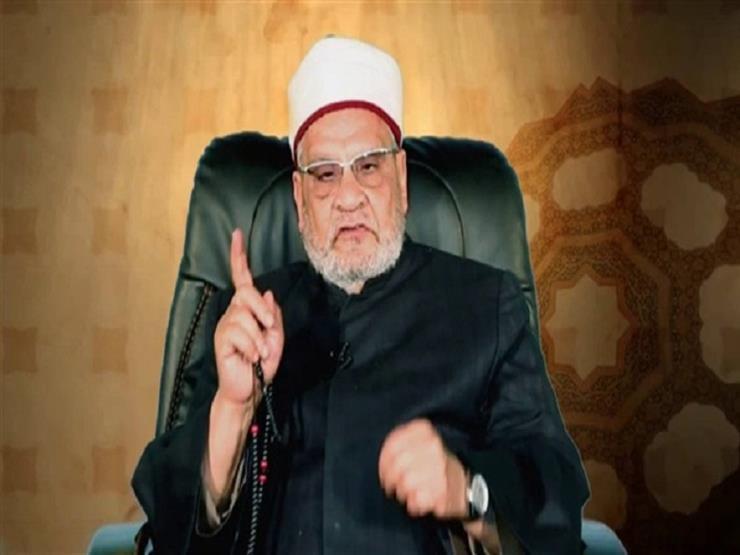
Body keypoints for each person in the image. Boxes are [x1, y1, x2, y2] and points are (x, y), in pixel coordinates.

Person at [132, 36, 589, 555]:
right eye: (325, 175)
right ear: (300, 199)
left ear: (402, 178)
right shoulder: (247, 317)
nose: (348, 197)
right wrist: (234, 410)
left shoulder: (487, 306)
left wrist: (466, 488)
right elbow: (168, 530)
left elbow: (555, 501)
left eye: (369, 166)